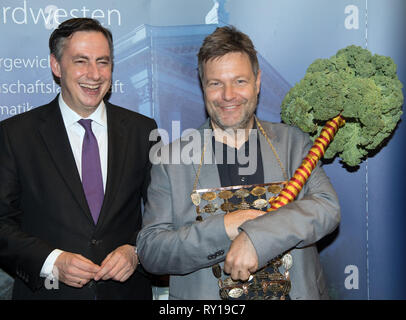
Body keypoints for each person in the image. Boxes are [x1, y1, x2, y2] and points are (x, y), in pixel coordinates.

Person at [137, 26, 340, 300]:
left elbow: (326, 208)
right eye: (215, 83)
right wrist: (228, 226)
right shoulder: (170, 160)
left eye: (240, 81)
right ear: (203, 86)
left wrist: (256, 236)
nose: (228, 95)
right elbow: (152, 251)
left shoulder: (294, 143)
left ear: (257, 82)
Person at [0, 18, 157, 300]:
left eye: (103, 62)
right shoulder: (15, 135)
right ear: (56, 66)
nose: (94, 74)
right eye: (81, 61)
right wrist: (52, 261)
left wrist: (136, 251)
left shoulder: (143, 130)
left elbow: (162, 214)